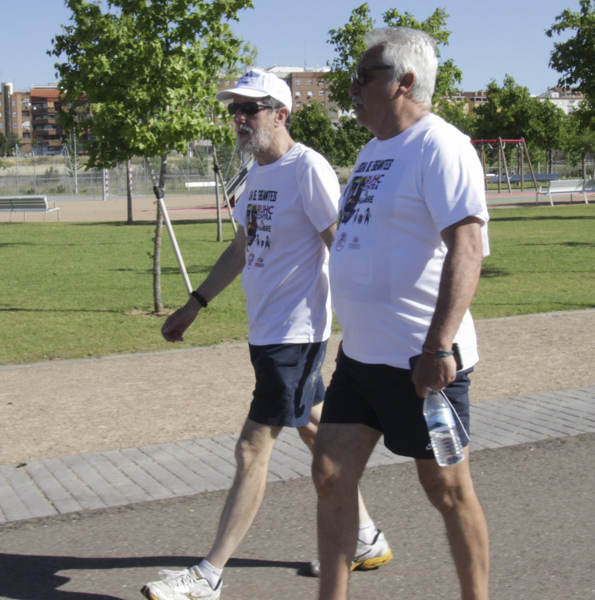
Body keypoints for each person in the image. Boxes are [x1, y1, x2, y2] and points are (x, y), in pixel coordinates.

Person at [141, 69, 390, 600]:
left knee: (252, 449)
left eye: (250, 109)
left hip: (295, 335)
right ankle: (365, 538)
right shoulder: (256, 175)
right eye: (235, 110)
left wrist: (365, 317)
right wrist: (195, 304)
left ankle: (209, 575)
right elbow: (240, 249)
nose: (239, 119)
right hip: (268, 332)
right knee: (312, 426)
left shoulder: (308, 169)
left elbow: (337, 243)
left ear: (281, 113)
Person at [312, 28, 491, 600]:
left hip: (423, 367)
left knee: (447, 489)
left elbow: (467, 247)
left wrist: (438, 347)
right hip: (362, 361)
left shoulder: (441, 147)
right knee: (332, 474)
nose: (353, 87)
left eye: (363, 76)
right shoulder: (371, 152)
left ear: (404, 82)